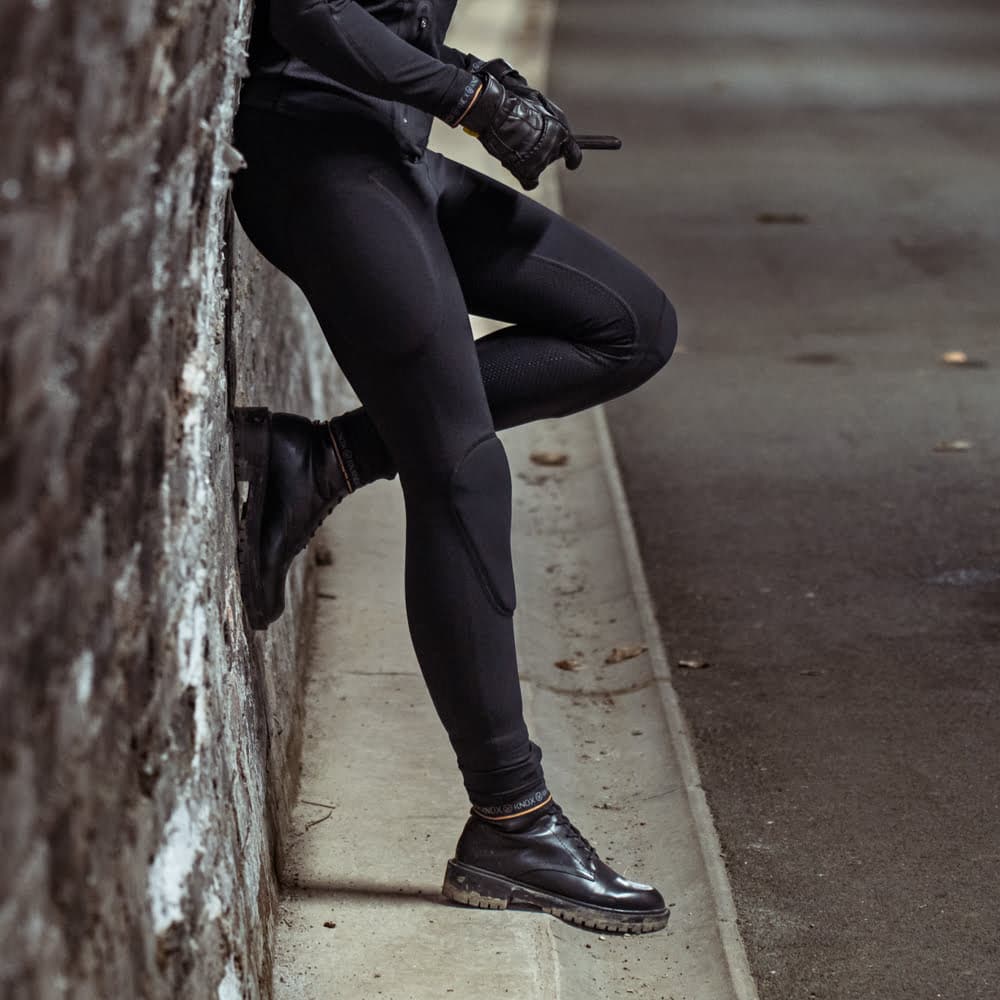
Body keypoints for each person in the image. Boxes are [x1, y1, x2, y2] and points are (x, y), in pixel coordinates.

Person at [230, 0, 677, 934]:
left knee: (630, 326)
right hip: (314, 157)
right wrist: (468, 97)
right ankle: (512, 823)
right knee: (461, 469)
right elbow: (308, 12)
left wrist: (475, 77)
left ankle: (325, 457)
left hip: (387, 149)